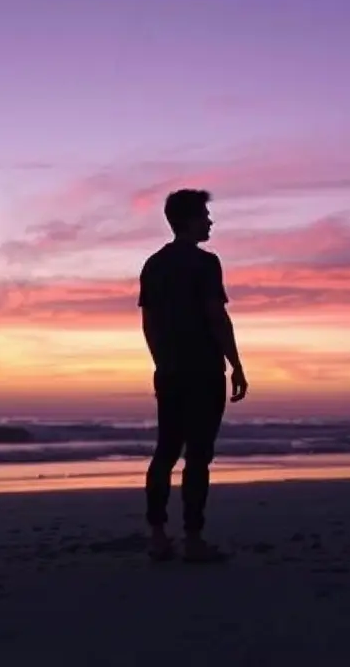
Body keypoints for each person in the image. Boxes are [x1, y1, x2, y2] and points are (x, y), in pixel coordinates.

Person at [138, 188, 248, 563]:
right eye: (204, 215)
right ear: (188, 220)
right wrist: (236, 364)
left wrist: (162, 361)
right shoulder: (205, 263)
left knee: (166, 450)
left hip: (169, 371)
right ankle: (193, 538)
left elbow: (148, 323)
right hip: (203, 370)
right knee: (198, 455)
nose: (210, 221)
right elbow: (217, 316)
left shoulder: (153, 265)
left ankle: (157, 535)